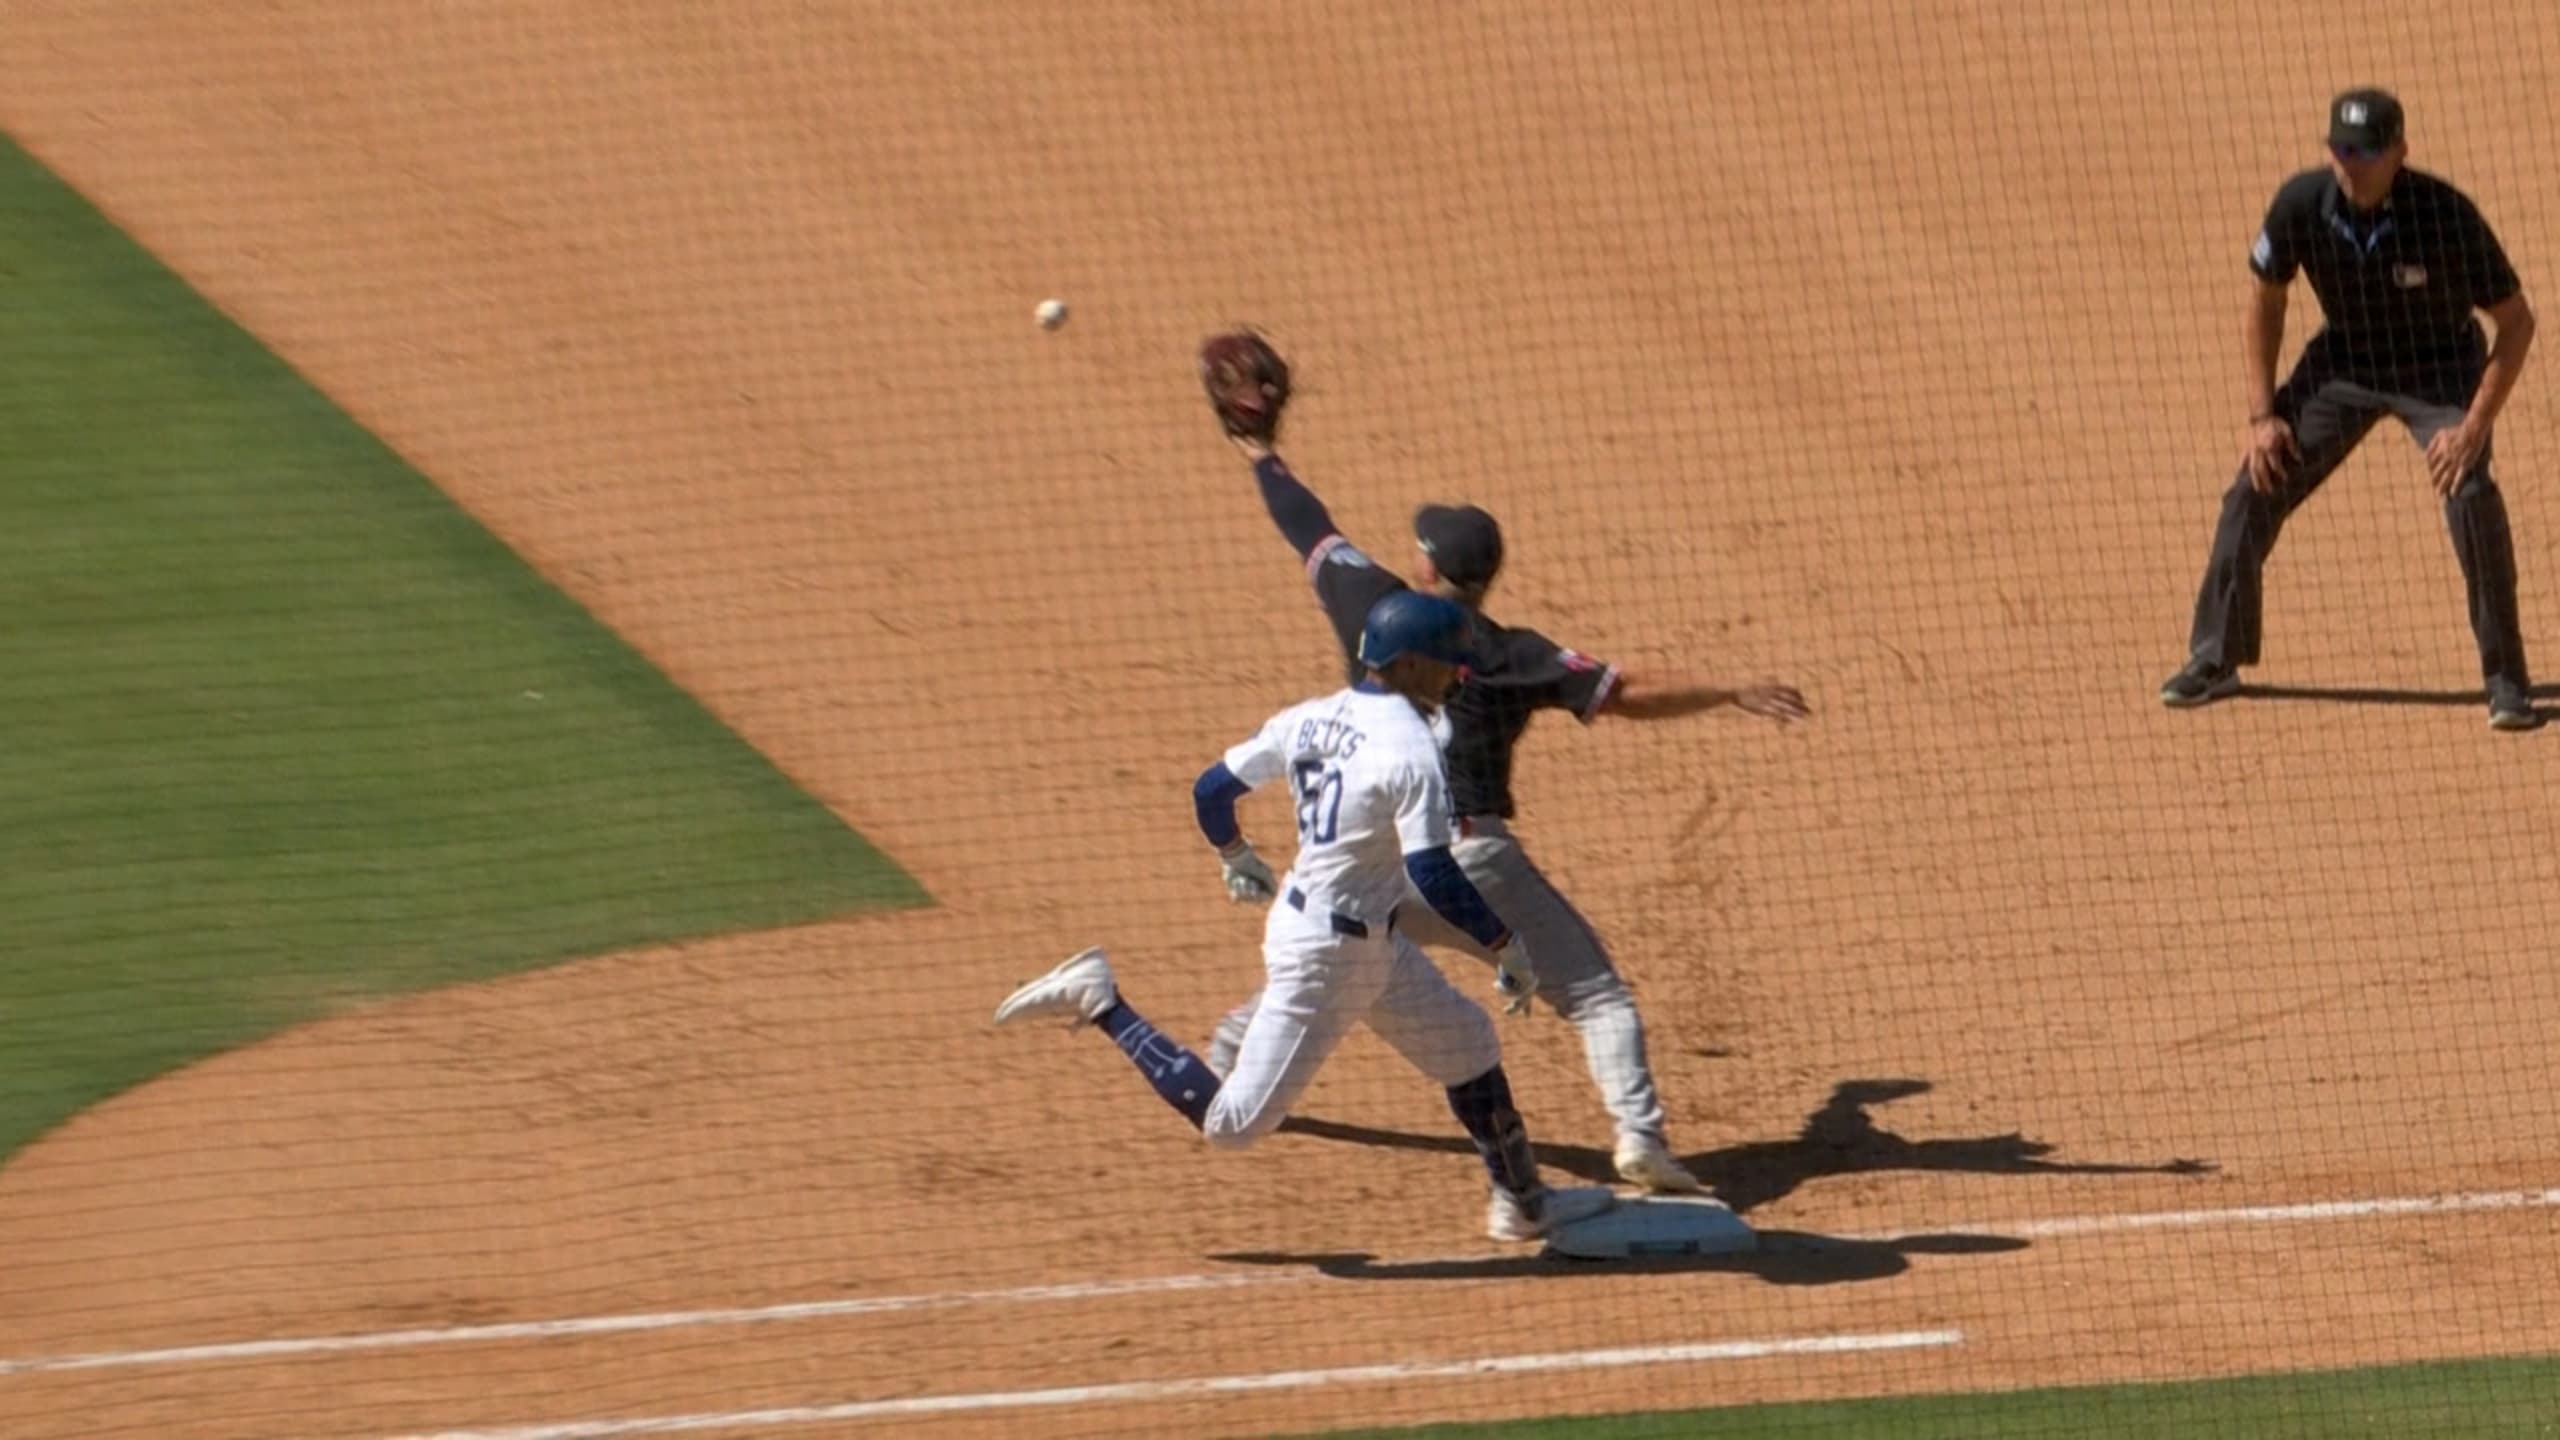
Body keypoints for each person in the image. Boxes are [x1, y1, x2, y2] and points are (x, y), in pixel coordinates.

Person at [1194, 333, 1810, 1196]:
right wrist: (1730, 690)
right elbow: (1628, 692)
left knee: (1350, 954)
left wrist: (1260, 448)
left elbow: (1307, 522)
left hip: (1379, 859)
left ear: (1427, 567)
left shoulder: (1371, 602)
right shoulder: (1516, 653)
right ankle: (1639, 1138)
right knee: (1595, 995)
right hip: (1473, 858)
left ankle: (1230, 1052)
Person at [992, 589, 1619, 1243]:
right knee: (1232, 1124)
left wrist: (1234, 853)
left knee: (1470, 1047)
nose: (1457, 674)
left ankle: (1522, 1203)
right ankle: (1103, 1001)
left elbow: (1212, 789)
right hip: (1327, 958)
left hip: (1362, 938)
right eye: (1446, 661)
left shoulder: (1309, 717)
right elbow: (1433, 871)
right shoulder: (1412, 749)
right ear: (1408, 664)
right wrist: (1505, 943)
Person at [2160, 87, 2541, 731]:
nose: (2349, 165)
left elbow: (2516, 322)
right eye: (2340, 150)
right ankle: (2216, 656)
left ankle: (2506, 681)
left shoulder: (2444, 214)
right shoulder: (2301, 203)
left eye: (2364, 153)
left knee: (2470, 491)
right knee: (2257, 481)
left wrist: (2473, 428)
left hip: (2440, 369)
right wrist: (2262, 417)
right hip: (2345, 364)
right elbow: (2266, 299)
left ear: (2400, 152)